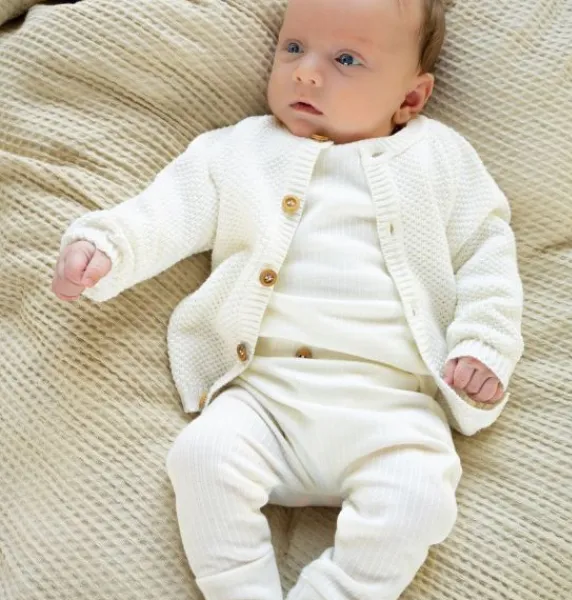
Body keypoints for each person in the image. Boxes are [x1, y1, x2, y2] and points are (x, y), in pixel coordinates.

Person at [52, 0, 524, 598]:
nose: (305, 72)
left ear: (410, 98)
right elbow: (166, 211)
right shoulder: (240, 150)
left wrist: (483, 346)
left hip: (394, 407)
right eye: (294, 48)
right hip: (263, 394)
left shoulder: (441, 158)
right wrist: (106, 247)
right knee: (201, 457)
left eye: (346, 59)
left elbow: (487, 257)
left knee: (419, 496)